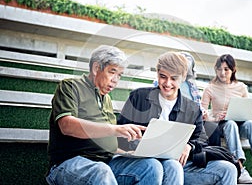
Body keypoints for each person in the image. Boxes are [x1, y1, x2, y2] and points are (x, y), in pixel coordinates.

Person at [46, 45, 182, 185]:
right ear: (96, 68)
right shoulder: (70, 86)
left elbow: (105, 142)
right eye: (112, 72)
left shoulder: (107, 99)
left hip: (106, 161)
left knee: (151, 166)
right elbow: (67, 125)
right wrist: (116, 129)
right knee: (100, 171)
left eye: (119, 75)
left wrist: (128, 152)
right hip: (69, 163)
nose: (116, 80)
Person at [118, 51, 237, 185]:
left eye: (174, 78)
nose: (167, 83)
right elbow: (120, 135)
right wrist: (136, 141)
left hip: (180, 164)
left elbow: (201, 139)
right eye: (163, 77)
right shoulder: (138, 97)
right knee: (171, 166)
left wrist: (189, 146)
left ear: (183, 77)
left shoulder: (192, 108)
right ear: (157, 74)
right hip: (145, 165)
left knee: (228, 169)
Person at [201, 54, 252, 184]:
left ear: (233, 70)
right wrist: (215, 117)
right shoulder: (210, 88)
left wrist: (240, 114)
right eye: (219, 69)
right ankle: (240, 169)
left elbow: (247, 109)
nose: (222, 72)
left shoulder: (241, 87)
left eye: (226, 69)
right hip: (221, 126)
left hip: (240, 124)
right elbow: (202, 113)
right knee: (230, 124)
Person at [179, 52, 221, 146]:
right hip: (179, 118)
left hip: (193, 118)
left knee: (212, 127)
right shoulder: (170, 81)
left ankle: (214, 156)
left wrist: (203, 111)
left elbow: (197, 102)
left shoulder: (191, 84)